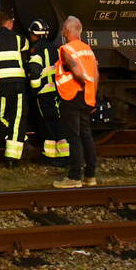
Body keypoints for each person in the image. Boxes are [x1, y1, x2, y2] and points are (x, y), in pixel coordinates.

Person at [53, 16, 99, 188]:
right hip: (86, 97)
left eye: (64, 29)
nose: (63, 32)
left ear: (69, 30)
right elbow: (95, 75)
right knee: (86, 134)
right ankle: (90, 176)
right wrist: (91, 94)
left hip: (71, 96)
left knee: (74, 136)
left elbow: (77, 72)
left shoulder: (66, 50)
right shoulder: (88, 50)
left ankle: (74, 177)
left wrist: (82, 84)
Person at [0, 12, 29, 166]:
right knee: (18, 118)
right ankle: (13, 155)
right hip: (17, 83)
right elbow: (26, 48)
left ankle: (15, 139)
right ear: (10, 23)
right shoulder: (19, 38)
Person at [26, 18, 69, 164]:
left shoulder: (35, 49)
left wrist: (35, 89)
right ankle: (55, 155)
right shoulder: (54, 47)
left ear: (34, 34)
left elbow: (35, 70)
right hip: (55, 91)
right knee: (55, 121)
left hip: (43, 93)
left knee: (48, 123)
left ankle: (59, 157)